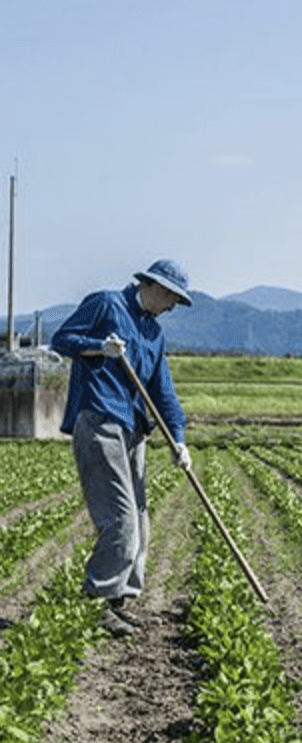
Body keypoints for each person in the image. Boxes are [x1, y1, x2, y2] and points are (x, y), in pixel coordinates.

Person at [51, 259, 193, 638]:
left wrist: (178, 439)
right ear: (156, 287)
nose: (173, 307)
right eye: (173, 298)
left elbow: (162, 390)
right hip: (100, 420)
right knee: (120, 518)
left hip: (134, 429)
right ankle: (98, 601)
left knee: (141, 521)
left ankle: (119, 602)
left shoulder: (152, 331)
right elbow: (61, 340)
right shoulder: (106, 304)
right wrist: (99, 347)